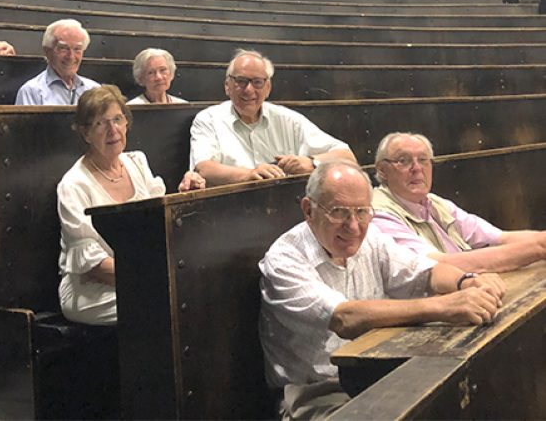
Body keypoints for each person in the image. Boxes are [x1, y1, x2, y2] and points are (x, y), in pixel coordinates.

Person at [259, 161, 505, 420]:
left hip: (377, 372)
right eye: (339, 212)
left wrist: (467, 281)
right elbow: (346, 318)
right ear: (309, 210)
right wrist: (446, 306)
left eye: (362, 212)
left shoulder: (371, 238)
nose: (353, 226)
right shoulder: (284, 259)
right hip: (316, 393)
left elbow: (426, 271)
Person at [57, 85, 205, 325]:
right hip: (91, 289)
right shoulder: (73, 185)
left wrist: (186, 195)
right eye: (101, 124)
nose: (112, 130)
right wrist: (154, 277)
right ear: (85, 133)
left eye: (117, 119)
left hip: (144, 273)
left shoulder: (137, 162)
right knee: (167, 304)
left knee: (194, 293)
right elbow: (94, 266)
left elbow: (158, 221)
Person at [371, 132, 546, 273]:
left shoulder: (435, 202)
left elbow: (500, 238)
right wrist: (538, 248)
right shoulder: (378, 215)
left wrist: (540, 240)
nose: (417, 168)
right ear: (382, 170)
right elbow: (437, 266)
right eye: (404, 160)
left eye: (423, 160)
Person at [190, 49, 356, 186]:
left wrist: (311, 162)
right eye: (241, 81)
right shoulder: (208, 119)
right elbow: (204, 169)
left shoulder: (288, 119)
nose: (248, 90)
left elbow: (347, 156)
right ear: (227, 86)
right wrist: (250, 174)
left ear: (268, 87)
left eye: (257, 82)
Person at [15, 19, 100, 105]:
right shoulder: (31, 92)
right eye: (63, 48)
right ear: (48, 52)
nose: (71, 56)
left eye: (77, 49)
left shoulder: (94, 90)